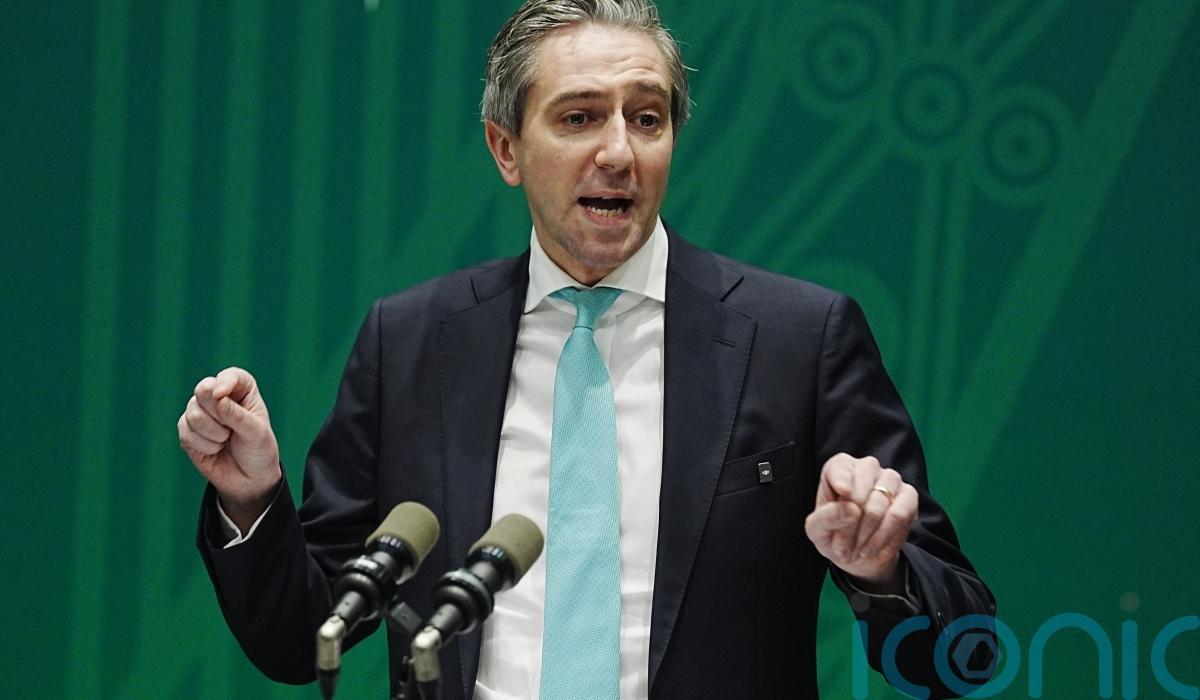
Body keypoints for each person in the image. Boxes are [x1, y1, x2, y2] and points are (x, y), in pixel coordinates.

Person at [179, 1, 995, 698]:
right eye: (578, 118)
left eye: (647, 118)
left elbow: (963, 655)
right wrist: (252, 501)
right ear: (506, 148)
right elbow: (303, 636)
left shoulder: (799, 339)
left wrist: (883, 572)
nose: (618, 153)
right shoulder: (412, 342)